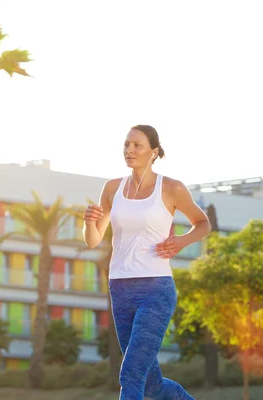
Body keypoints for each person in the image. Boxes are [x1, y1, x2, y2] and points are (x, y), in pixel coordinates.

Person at [83, 125, 211, 400]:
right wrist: (89, 222)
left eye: (137, 145)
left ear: (154, 152)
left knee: (130, 374)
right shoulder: (112, 188)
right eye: (127, 144)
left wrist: (181, 241)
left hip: (156, 290)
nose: (130, 150)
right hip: (120, 289)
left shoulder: (172, 188)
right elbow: (93, 240)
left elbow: (203, 224)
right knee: (151, 383)